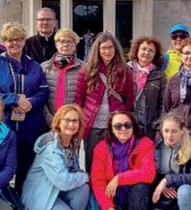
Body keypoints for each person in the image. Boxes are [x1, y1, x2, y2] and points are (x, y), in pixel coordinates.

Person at [0, 22, 49, 195]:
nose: (15, 43)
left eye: (19, 39)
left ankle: (20, 203)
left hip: (29, 126)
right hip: (4, 125)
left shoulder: (34, 65)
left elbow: (44, 91)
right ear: (4, 42)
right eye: (10, 40)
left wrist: (31, 102)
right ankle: (1, 203)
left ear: (24, 41)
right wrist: (14, 99)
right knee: (2, 167)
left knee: (25, 167)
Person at [90, 111, 156, 210]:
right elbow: (98, 180)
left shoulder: (145, 143)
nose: (123, 129)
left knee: (141, 187)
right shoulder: (101, 148)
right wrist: (107, 207)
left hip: (135, 195)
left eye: (127, 125)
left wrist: (119, 178)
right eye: (118, 126)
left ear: (133, 127)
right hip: (113, 197)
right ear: (111, 129)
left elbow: (149, 173)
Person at [22, 104, 90, 210]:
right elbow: (63, 182)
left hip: (57, 191)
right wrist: (84, 176)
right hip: (41, 194)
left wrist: (79, 178)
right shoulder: (51, 147)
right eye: (67, 120)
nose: (71, 124)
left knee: (83, 188)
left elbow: (72, 172)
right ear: (58, 122)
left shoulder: (72, 142)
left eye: (75, 121)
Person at [74, 32, 134, 171]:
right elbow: (79, 100)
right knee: (92, 162)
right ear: (98, 50)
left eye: (110, 48)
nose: (107, 51)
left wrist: (121, 117)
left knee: (113, 162)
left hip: (114, 125)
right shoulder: (87, 71)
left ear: (116, 49)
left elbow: (129, 99)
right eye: (104, 48)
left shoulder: (125, 71)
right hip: (93, 124)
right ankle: (93, 192)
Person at [41, 29, 85, 127]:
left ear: (75, 45)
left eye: (70, 41)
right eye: (62, 41)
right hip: (48, 121)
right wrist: (50, 119)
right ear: (56, 44)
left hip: (73, 122)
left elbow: (86, 97)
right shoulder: (44, 67)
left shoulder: (84, 68)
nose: (65, 44)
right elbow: (40, 95)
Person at [127, 36, 165, 137]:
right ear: (136, 50)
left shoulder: (159, 75)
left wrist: (158, 127)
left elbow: (162, 103)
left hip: (149, 127)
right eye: (143, 49)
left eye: (151, 51)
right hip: (127, 124)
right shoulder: (125, 70)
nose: (147, 53)